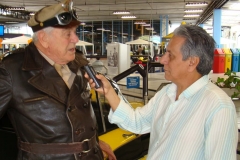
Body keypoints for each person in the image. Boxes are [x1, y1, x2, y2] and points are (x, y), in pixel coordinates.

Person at [86, 25, 238, 160]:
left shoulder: (218, 107)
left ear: (192, 62)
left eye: (170, 55)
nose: (162, 59)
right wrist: (109, 92)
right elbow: (136, 122)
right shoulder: (167, 93)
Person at [0, 0, 116, 160]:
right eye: (67, 34)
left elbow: (80, 117)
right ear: (44, 38)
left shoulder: (78, 63)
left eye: (75, 32)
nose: (75, 39)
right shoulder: (12, 71)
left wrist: (92, 142)